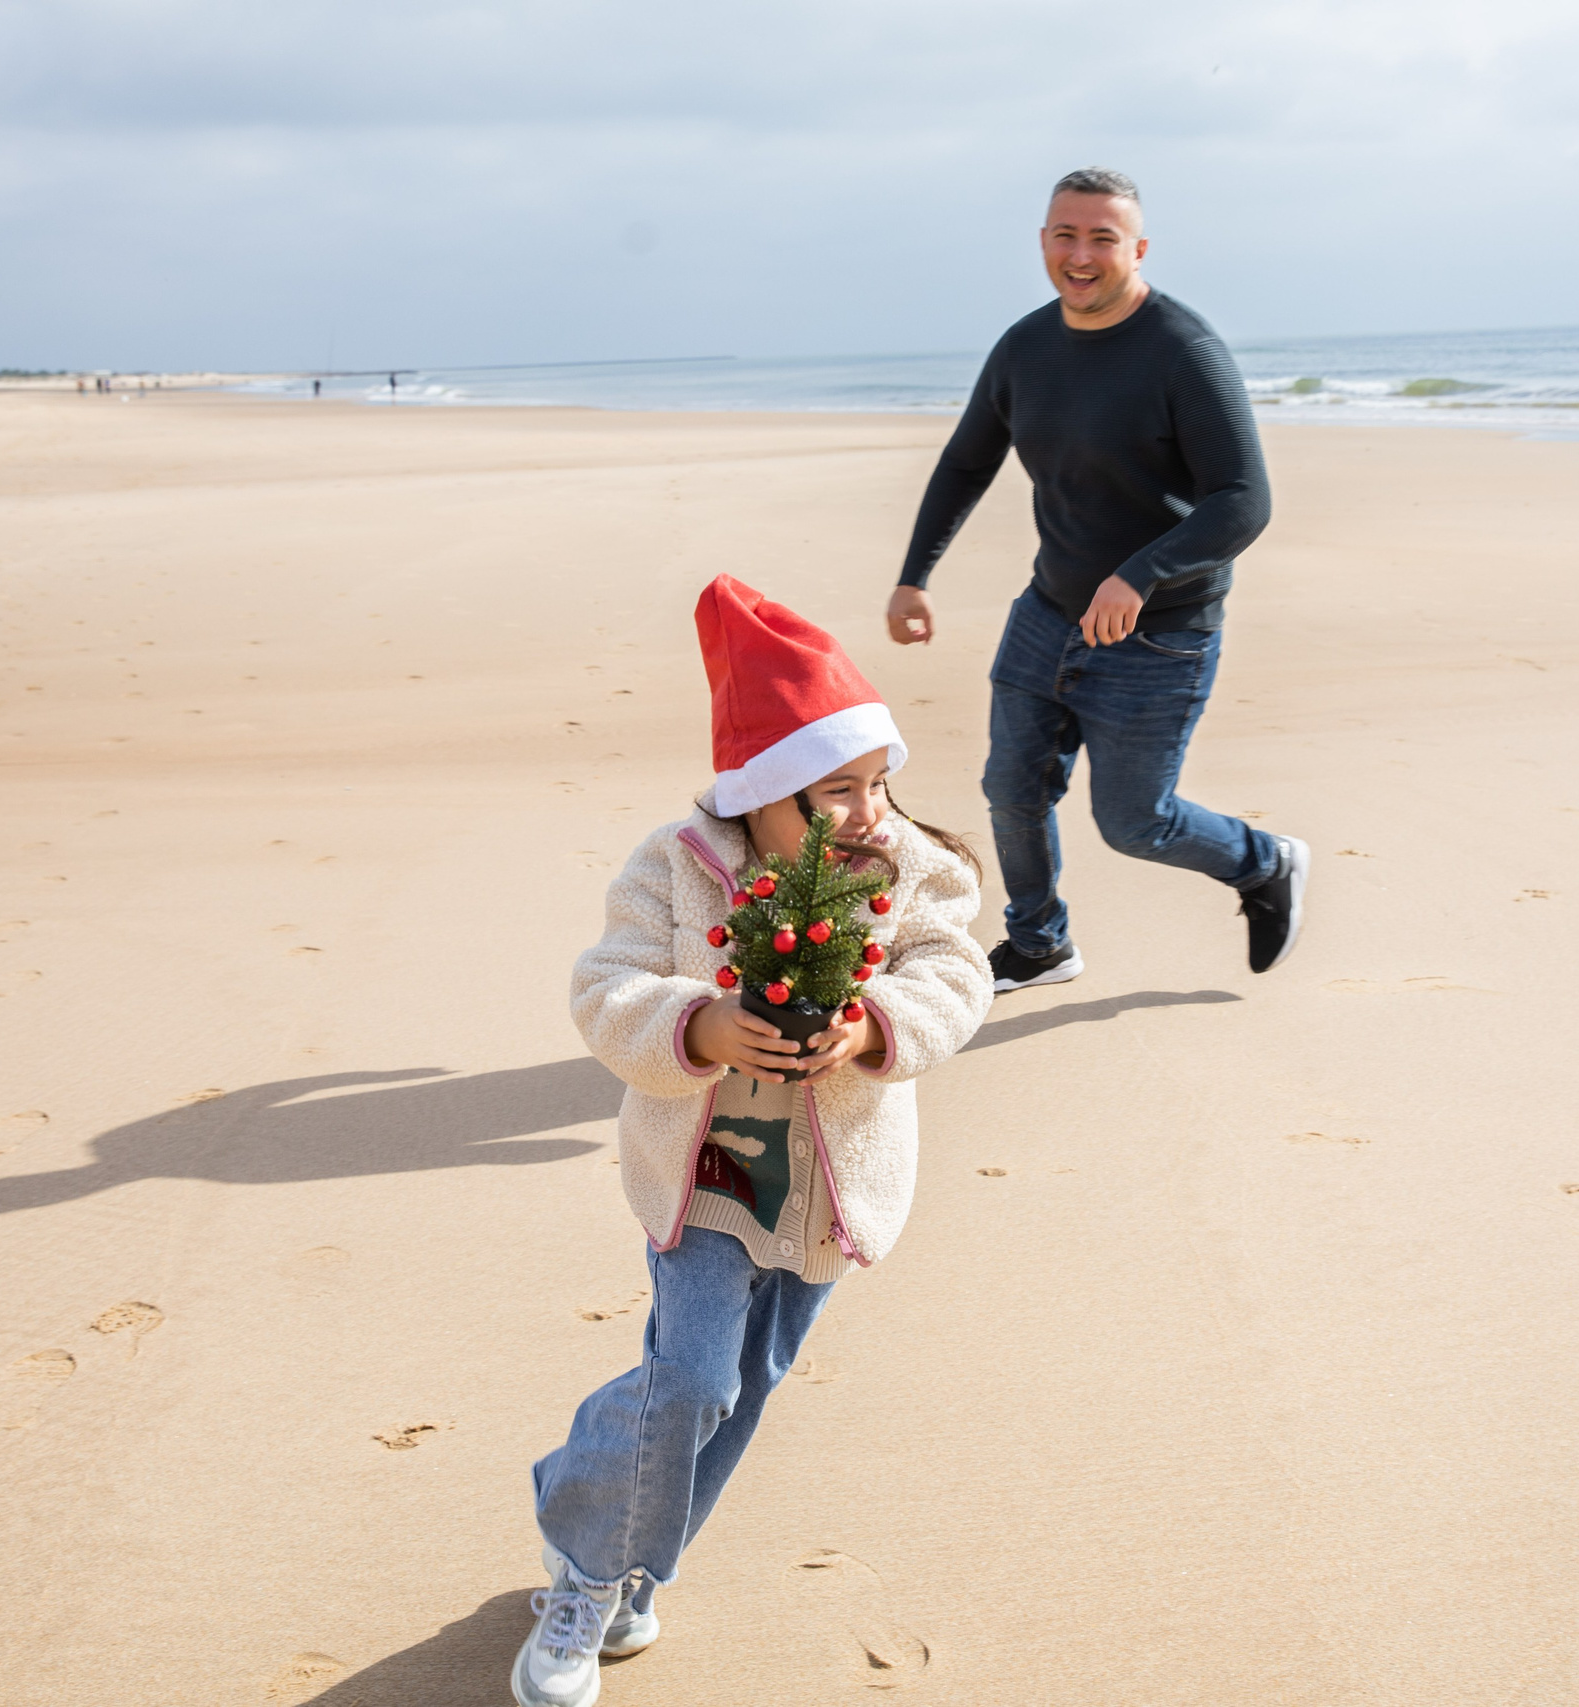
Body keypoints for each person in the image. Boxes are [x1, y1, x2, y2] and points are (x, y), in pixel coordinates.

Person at [515, 575, 993, 1707]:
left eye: (880, 782)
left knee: (745, 1388)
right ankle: (583, 1561)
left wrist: (876, 1026)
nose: (870, 812)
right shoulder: (678, 866)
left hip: (828, 1191)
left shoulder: (905, 870)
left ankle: (640, 1566)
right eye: (837, 791)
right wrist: (698, 1021)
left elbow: (955, 973)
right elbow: (604, 989)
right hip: (707, 1180)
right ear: (764, 800)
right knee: (686, 1382)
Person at [886, 166, 1308, 991]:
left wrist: (1142, 574)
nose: (1081, 255)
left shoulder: (1184, 353)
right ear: (1043, 243)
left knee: (1134, 823)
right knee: (1011, 787)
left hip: (1160, 633)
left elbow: (1244, 500)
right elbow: (967, 459)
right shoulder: (1025, 347)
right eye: (1065, 236)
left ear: (1138, 248)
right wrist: (914, 575)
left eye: (1102, 239)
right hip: (1049, 612)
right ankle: (1039, 942)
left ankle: (1263, 861)